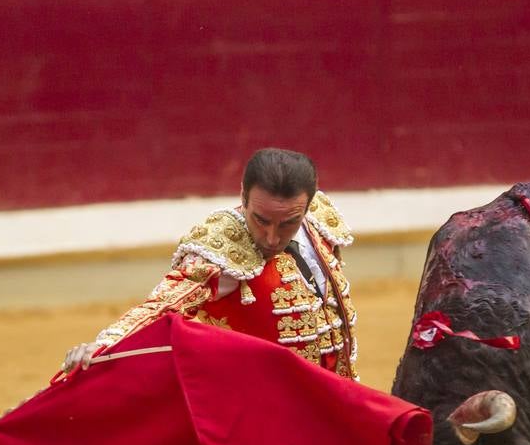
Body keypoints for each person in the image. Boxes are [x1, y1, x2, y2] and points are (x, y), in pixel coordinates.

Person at [63, 148, 358, 379]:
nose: (271, 238)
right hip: (264, 412)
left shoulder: (318, 225)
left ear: (307, 207)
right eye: (261, 220)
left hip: (334, 397)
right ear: (243, 195)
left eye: (288, 224)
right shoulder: (221, 247)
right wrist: (104, 346)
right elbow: (165, 303)